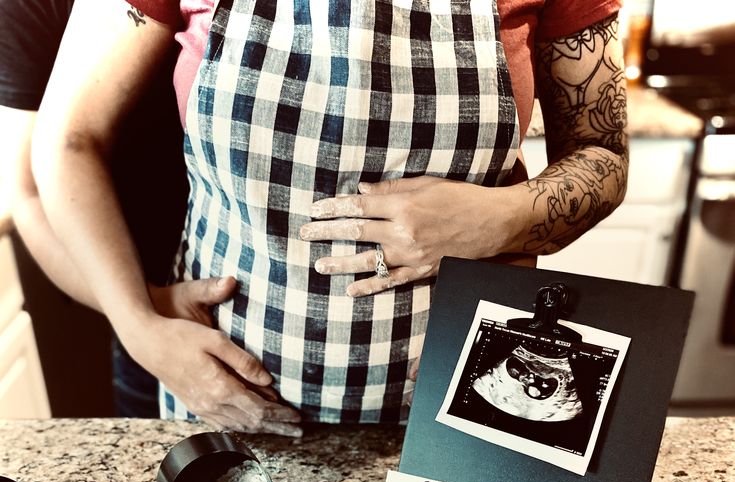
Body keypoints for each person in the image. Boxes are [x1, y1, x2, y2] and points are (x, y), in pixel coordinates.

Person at [32, 0, 628, 434]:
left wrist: (504, 218)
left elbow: (603, 156)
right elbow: (68, 140)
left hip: (475, 399)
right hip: (225, 393)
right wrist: (141, 329)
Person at [0, 0, 237, 416]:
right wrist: (143, 318)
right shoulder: (27, 8)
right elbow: (26, 192)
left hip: (256, 291)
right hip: (148, 306)